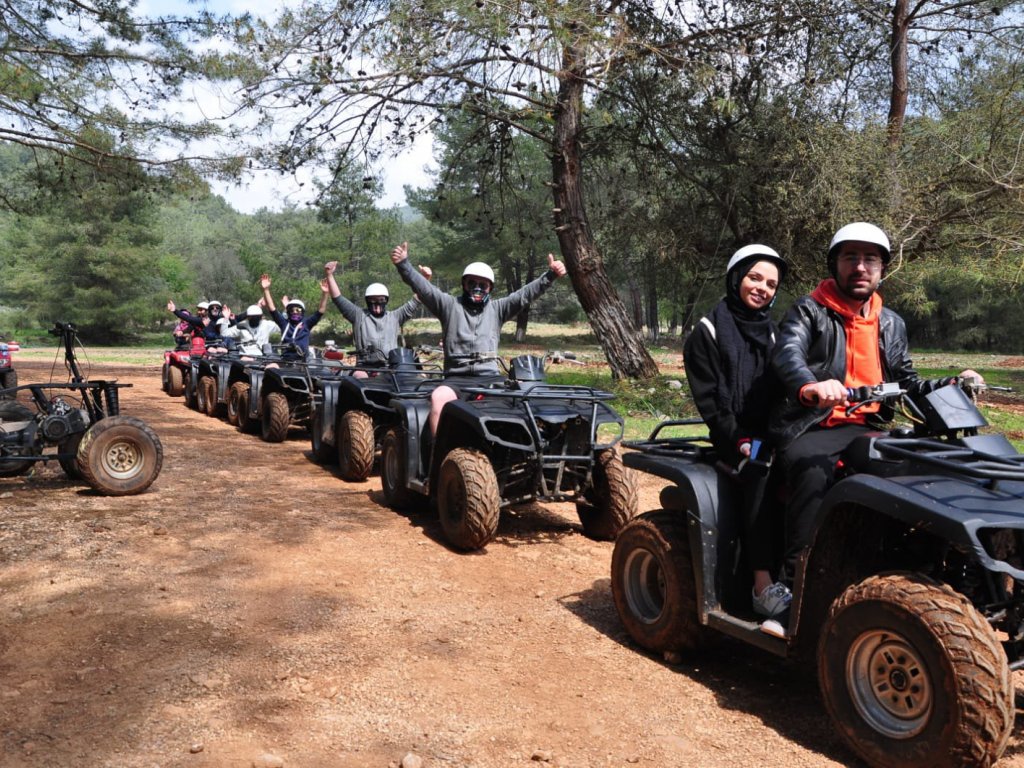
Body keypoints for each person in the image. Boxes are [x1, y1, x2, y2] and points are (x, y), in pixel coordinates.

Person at [770, 222, 981, 588]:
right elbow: (788, 354)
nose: (860, 266)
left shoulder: (890, 322)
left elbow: (907, 381)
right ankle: (793, 585)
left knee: (930, 469)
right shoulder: (809, 311)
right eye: (851, 257)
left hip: (867, 428)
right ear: (835, 264)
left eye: (870, 259)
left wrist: (949, 384)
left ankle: (925, 573)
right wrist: (812, 386)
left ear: (882, 269)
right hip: (812, 424)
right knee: (812, 470)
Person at [684, 244, 790, 618]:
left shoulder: (775, 334)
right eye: (755, 277)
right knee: (761, 469)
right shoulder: (708, 330)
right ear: (736, 277)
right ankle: (762, 584)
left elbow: (786, 386)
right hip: (733, 436)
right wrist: (741, 439)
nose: (762, 288)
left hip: (773, 431)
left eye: (771, 284)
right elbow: (711, 401)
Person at [390, 241, 567, 435]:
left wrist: (550, 275)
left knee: (521, 402)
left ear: (490, 288)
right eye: (472, 283)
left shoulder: (498, 309)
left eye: (483, 284)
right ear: (464, 284)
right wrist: (404, 265)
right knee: (439, 398)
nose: (477, 288)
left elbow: (524, 295)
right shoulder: (449, 306)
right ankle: (437, 456)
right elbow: (424, 289)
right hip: (456, 379)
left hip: (490, 378)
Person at [323, 260, 432, 376]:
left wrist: (425, 279)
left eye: (381, 300)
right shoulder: (358, 315)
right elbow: (338, 299)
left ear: (386, 301)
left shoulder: (395, 317)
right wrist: (329, 275)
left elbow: (416, 301)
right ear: (367, 301)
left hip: (389, 367)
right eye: (372, 300)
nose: (377, 304)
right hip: (363, 367)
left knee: (411, 378)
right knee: (360, 376)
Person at [259, 273, 329, 362]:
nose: (295, 312)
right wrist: (266, 289)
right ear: (288, 312)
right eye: (292, 310)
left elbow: (321, 310)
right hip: (285, 360)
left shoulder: (307, 323)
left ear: (302, 311)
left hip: (303, 362)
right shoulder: (284, 323)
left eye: (298, 310)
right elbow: (272, 309)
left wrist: (325, 293)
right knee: (270, 368)